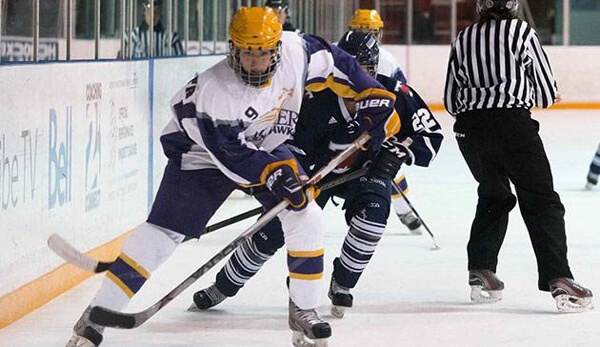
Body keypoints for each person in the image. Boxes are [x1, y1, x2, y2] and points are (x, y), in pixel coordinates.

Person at [66, 7, 397, 347]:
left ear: (277, 49)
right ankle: (95, 316)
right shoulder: (215, 90)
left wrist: (372, 93)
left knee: (306, 215)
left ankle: (304, 310)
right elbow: (231, 155)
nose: (255, 62)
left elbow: (341, 61)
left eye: (264, 53)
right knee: (162, 235)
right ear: (232, 48)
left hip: (265, 142)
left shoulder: (298, 51)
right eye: (246, 54)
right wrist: (273, 174)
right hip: (201, 155)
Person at [191, 30, 443, 319]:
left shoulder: (394, 94)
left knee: (373, 217)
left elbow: (429, 134)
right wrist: (293, 177)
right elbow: (282, 142)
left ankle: (343, 283)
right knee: (273, 228)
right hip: (314, 173)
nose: (358, 79)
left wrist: (399, 152)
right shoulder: (312, 96)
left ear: (375, 69)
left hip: (363, 174)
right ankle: (224, 285)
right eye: (352, 69)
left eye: (366, 70)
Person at [444, 0, 593, 312]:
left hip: (470, 131)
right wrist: (547, 93)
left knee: (493, 195)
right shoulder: (521, 31)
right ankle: (558, 277)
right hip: (513, 125)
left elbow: (450, 100)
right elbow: (543, 93)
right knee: (542, 201)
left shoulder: (463, 37)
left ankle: (481, 270)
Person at [348, 8, 426, 235]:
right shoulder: (340, 50)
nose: (369, 36)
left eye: (372, 31)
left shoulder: (386, 59)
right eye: (363, 31)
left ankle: (403, 210)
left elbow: (401, 95)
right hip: (346, 121)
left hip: (376, 122)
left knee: (385, 165)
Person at [120, 0, 184, 58]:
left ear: (160, 13)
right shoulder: (131, 37)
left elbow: (181, 64)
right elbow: (122, 64)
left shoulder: (171, 37)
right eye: (149, 10)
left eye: (156, 11)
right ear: (144, 12)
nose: (153, 15)